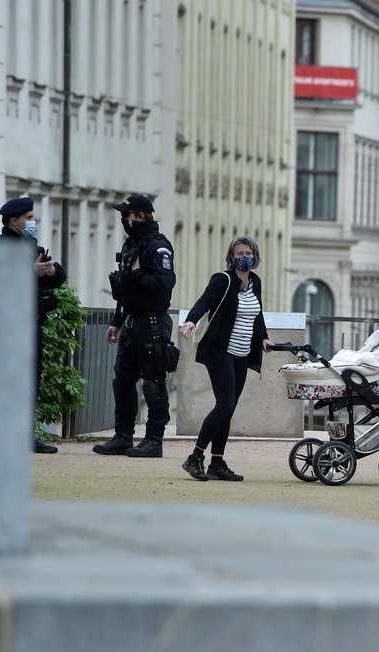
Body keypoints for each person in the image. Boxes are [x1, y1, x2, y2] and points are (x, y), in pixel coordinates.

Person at [178, 237, 274, 481]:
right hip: (221, 352)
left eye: (249, 252)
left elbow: (258, 314)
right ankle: (195, 458)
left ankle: (217, 462)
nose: (245, 256)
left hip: (242, 354)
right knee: (224, 405)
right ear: (231, 258)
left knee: (228, 409)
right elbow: (205, 301)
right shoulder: (224, 279)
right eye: (240, 252)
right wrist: (191, 320)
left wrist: (263, 337)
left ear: (255, 256)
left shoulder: (255, 282)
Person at [93, 194, 178, 458]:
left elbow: (165, 283)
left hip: (152, 322)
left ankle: (154, 439)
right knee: (123, 380)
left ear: (140, 216)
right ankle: (123, 436)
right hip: (132, 320)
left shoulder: (157, 247)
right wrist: (117, 321)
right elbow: (125, 287)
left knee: (153, 382)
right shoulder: (132, 245)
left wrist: (137, 274)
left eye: (126, 215)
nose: (123, 220)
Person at [0, 197, 67, 454]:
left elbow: (59, 278)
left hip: (31, 324)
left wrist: (52, 272)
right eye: (29, 218)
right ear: (14, 220)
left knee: (30, 380)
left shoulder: (32, 245)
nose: (32, 222)